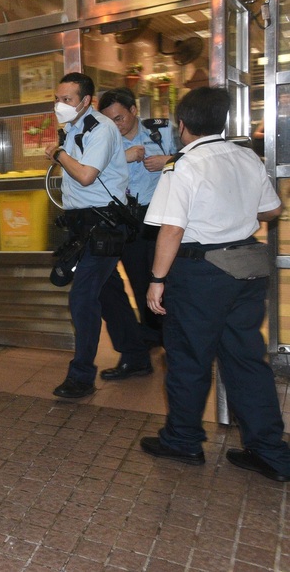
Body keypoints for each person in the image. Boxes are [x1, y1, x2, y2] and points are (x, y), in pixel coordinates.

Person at [140, 86, 290, 481]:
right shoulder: (246, 156)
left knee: (189, 358)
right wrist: (235, 209)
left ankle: (183, 440)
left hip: (201, 274)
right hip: (245, 268)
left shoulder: (183, 165)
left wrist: (157, 280)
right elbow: (273, 209)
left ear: (182, 125)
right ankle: (270, 451)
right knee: (245, 359)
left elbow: (172, 229)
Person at [44, 73, 146, 399]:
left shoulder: (100, 128)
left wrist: (59, 154)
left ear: (85, 101)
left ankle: (81, 376)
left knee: (83, 298)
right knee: (108, 293)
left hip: (104, 225)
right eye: (57, 99)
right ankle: (136, 354)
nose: (59, 105)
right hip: (84, 225)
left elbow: (87, 176)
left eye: (67, 99)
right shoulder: (73, 129)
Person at [95, 87, 176, 379]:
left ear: (133, 111)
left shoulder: (162, 131)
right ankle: (150, 335)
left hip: (158, 215)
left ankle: (169, 339)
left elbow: (195, 157)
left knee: (159, 279)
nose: (116, 125)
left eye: (119, 118)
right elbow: (89, 172)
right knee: (136, 277)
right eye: (109, 120)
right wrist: (122, 158)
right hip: (124, 215)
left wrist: (168, 161)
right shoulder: (104, 139)